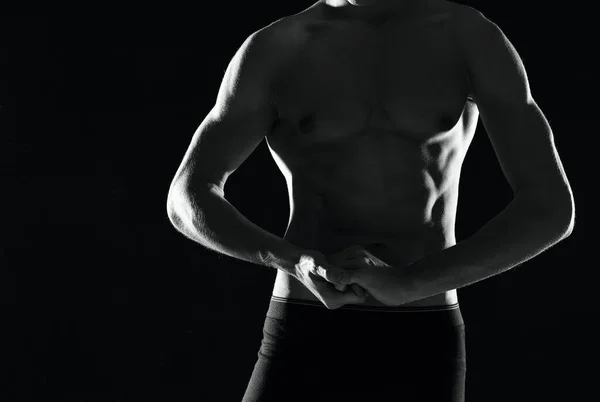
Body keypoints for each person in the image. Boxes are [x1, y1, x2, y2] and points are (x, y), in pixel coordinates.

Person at [166, 0, 575, 400]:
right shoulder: (276, 47)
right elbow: (187, 196)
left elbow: (551, 207)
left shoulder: (466, 35)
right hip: (308, 318)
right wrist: (291, 260)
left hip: (423, 327)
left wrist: (411, 282)